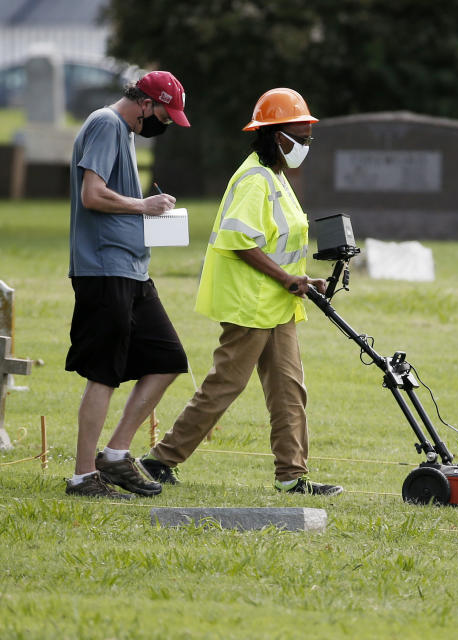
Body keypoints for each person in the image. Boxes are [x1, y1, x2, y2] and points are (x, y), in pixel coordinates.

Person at [139, 88, 343, 496]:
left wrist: (304, 278)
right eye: (300, 137)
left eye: (308, 138)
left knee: (289, 389)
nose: (305, 145)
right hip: (250, 304)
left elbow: (277, 242)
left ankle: (292, 476)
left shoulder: (277, 177)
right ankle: (160, 460)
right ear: (275, 135)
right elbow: (239, 240)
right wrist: (287, 279)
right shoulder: (254, 179)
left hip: (278, 303)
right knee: (225, 385)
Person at [64, 71, 191, 499]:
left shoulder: (126, 133)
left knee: (168, 358)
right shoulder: (105, 123)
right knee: (104, 371)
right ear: (145, 103)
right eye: (164, 115)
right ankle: (84, 477)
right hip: (103, 268)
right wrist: (144, 205)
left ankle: (116, 455)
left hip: (132, 270)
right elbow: (92, 195)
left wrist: (150, 215)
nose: (165, 124)